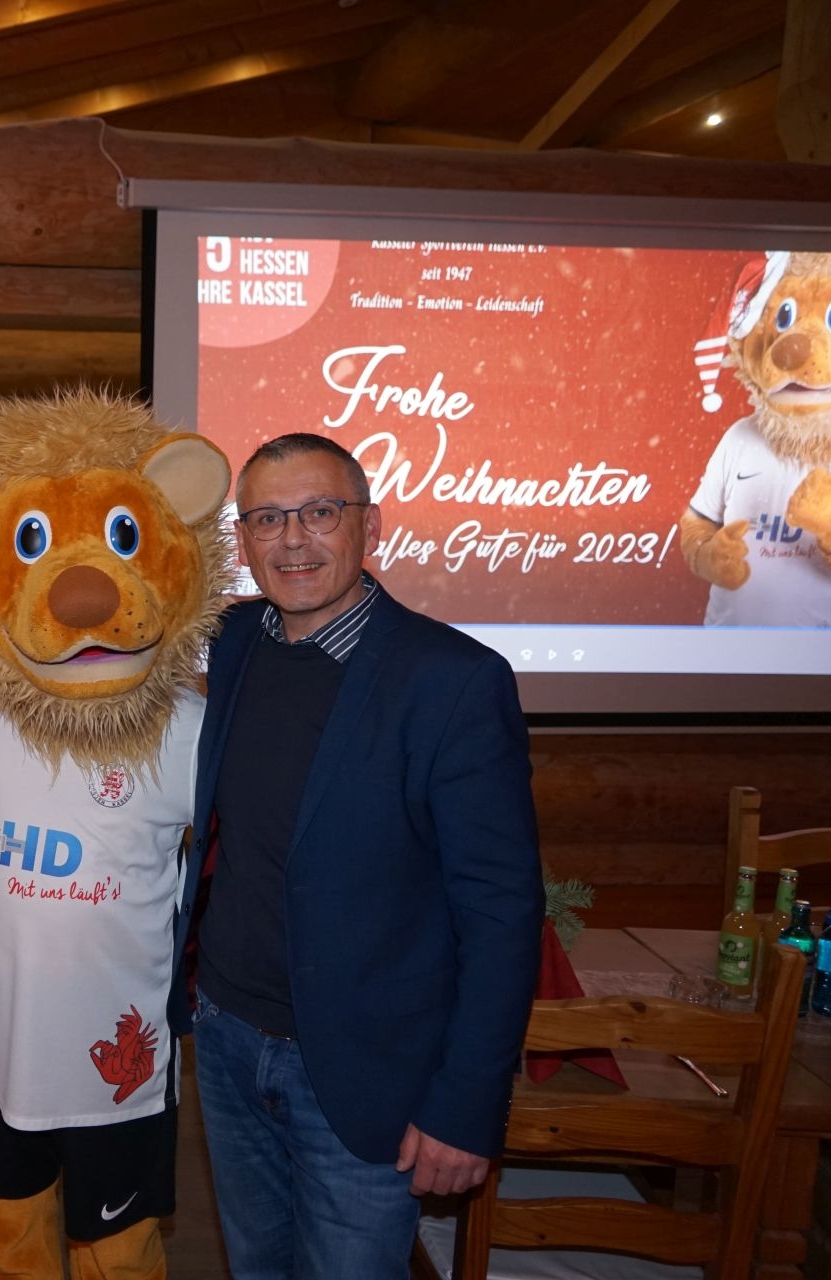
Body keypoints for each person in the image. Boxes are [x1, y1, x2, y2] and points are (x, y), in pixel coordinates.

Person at [171, 432, 544, 1278]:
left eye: (319, 512)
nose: (292, 540)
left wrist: (465, 1106)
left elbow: (501, 912)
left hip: (364, 1073)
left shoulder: (454, 681)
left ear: (370, 526)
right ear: (242, 540)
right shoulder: (233, 640)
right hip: (228, 1042)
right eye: (267, 519)